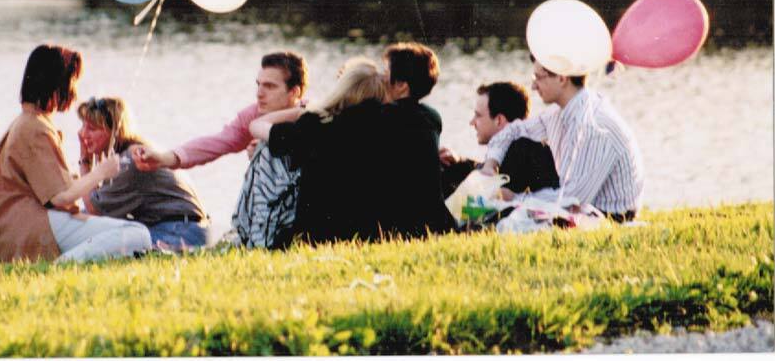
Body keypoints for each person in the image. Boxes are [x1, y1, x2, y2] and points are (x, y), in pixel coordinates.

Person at [249, 44, 455, 244]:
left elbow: (261, 127)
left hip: (337, 231)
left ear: (401, 85)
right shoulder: (430, 118)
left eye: (386, 72)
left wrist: (310, 109)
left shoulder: (351, 121)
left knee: (266, 150)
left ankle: (253, 235)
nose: (381, 77)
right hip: (425, 225)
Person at [0, 45, 152, 263]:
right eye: (71, 84)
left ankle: (67, 260)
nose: (74, 93)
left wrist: (85, 164)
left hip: (21, 228)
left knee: (121, 232)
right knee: (138, 234)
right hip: (33, 228)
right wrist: (101, 172)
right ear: (55, 86)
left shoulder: (24, 123)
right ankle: (60, 266)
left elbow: (59, 195)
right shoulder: (35, 128)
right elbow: (61, 197)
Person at [481, 55, 644, 221]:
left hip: (607, 216)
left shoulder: (594, 124)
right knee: (521, 146)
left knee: (512, 207)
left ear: (561, 78)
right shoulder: (559, 113)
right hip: (578, 202)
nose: (533, 86)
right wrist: (490, 165)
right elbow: (514, 130)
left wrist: (514, 198)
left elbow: (572, 201)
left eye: (538, 77)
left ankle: (490, 216)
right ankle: (486, 215)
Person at [130, 51, 308, 172]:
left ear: (294, 92)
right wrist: (164, 158)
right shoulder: (253, 115)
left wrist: (268, 152)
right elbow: (214, 144)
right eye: (258, 84)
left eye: (269, 86)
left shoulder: (317, 116)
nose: (259, 93)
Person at [77, 97, 211, 250]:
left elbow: (95, 210)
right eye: (83, 126)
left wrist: (84, 162)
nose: (82, 134)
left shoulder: (129, 162)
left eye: (92, 129)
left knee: (104, 244)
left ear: (115, 132)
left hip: (180, 231)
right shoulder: (130, 152)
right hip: (183, 227)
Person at [438, 82, 559, 199]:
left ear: (499, 120)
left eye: (478, 115)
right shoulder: (513, 151)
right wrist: (458, 161)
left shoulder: (526, 150)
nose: (472, 122)